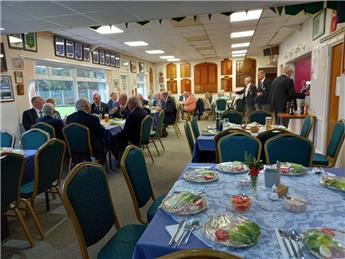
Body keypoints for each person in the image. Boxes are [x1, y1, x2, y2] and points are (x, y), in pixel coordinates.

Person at [66, 99, 106, 164]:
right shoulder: (92, 118)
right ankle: (98, 167)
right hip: (90, 148)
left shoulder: (69, 118)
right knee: (104, 141)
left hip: (73, 147)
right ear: (87, 107)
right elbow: (101, 133)